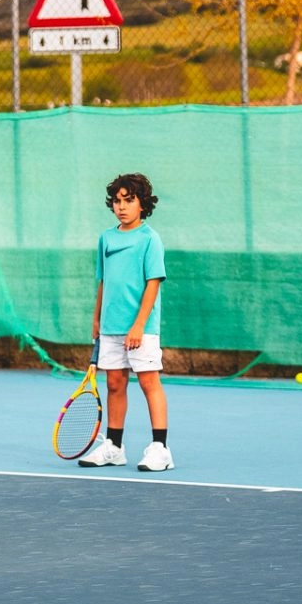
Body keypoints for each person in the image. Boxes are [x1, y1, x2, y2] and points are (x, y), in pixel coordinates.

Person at [78, 172, 173, 472]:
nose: (121, 206)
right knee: (115, 383)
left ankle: (161, 449)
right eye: (117, 201)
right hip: (110, 326)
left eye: (129, 200)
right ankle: (114, 447)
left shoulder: (150, 239)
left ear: (142, 204)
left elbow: (153, 283)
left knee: (148, 382)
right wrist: (96, 319)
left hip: (141, 328)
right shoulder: (106, 238)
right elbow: (103, 282)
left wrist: (139, 326)